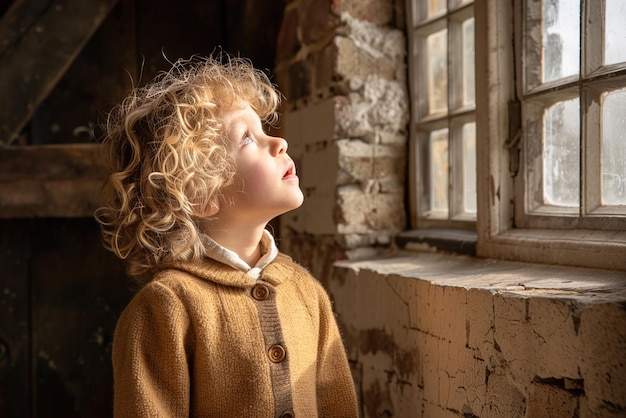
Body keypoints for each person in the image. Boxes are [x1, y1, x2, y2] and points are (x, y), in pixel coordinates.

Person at [95, 55, 359, 417]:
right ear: (203, 194)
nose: (278, 143)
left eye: (264, 128)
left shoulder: (307, 293)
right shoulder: (165, 308)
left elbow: (337, 406)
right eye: (248, 137)